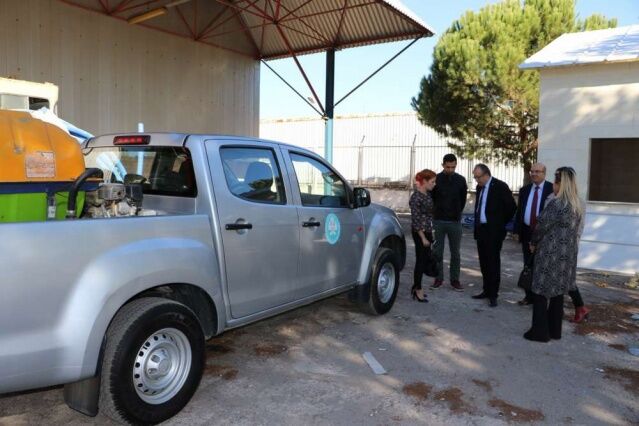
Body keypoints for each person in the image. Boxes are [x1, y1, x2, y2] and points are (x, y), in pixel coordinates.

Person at [525, 167, 584, 342]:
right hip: (567, 255)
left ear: (560, 184)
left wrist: (533, 242)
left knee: (540, 291)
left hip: (549, 253)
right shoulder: (576, 205)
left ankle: (539, 333)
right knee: (558, 293)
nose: (553, 186)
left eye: (555, 183)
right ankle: (554, 331)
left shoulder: (556, 204)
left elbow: (541, 226)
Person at [471, 164, 516, 307]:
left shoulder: (500, 186)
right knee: (483, 261)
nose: (476, 180)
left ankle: (493, 294)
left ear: (486, 175)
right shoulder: (480, 187)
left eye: (478, 177)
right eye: (475, 177)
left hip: (494, 231)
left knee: (493, 262)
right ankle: (486, 289)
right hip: (481, 229)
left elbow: (511, 207)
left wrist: (500, 223)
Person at [514, 163, 553, 305]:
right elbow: (520, 211)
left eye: (538, 171)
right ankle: (529, 296)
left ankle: (541, 298)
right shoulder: (524, 190)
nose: (534, 174)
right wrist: (516, 231)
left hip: (543, 234)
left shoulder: (551, 189)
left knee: (542, 266)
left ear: (544, 173)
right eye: (532, 171)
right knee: (528, 265)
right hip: (526, 232)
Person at [431, 154, 467, 291]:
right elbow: (432, 198)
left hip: (455, 222)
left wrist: (456, 212)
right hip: (438, 221)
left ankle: (455, 280)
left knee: (455, 253)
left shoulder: (461, 180)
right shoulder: (436, 179)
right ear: (443, 165)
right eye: (448, 167)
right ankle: (438, 278)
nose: (451, 169)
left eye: (453, 167)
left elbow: (462, 200)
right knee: (437, 252)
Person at [409, 169, 437, 303]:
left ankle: (416, 286)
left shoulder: (427, 194)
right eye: (432, 182)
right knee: (420, 261)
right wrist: (423, 238)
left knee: (424, 260)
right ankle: (417, 289)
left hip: (428, 231)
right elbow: (416, 219)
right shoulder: (416, 197)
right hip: (420, 233)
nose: (434, 184)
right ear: (424, 181)